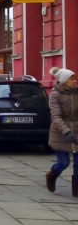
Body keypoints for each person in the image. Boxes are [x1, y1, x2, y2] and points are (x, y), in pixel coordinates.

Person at [45, 67, 78, 196]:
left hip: (77, 131)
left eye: (74, 78)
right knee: (63, 162)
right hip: (60, 133)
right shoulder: (55, 95)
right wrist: (67, 132)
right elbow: (56, 117)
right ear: (63, 81)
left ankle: (76, 190)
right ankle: (51, 175)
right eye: (71, 79)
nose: (74, 81)